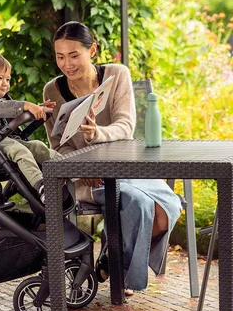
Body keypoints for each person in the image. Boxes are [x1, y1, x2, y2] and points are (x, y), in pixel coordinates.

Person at [43, 21, 183, 293]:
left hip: (127, 167)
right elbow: (59, 146)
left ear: (92, 50)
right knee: (139, 203)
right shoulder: (53, 90)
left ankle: (110, 257)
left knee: (168, 209)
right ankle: (122, 274)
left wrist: (98, 133)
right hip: (90, 179)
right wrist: (84, 168)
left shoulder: (117, 75)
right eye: (60, 57)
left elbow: (125, 126)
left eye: (74, 55)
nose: (67, 64)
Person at [0, 52, 61, 203]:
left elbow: (11, 113)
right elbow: (3, 107)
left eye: (8, 79)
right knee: (20, 151)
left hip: (3, 140)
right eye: (0, 78)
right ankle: (41, 186)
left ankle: (68, 166)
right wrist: (27, 105)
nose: (5, 84)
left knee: (37, 146)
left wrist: (37, 109)